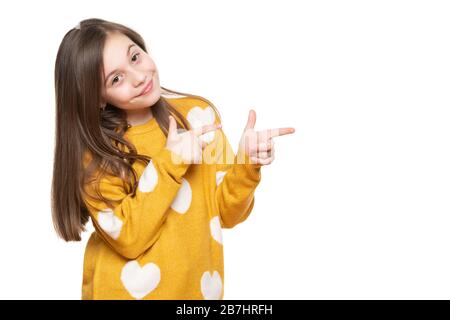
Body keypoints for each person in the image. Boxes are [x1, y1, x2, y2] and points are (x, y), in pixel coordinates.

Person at [51, 18, 295, 299]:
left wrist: (246, 165)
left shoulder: (199, 115)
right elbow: (129, 239)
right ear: (97, 98)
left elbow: (226, 214)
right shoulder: (96, 155)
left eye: (135, 57)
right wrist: (170, 163)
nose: (139, 76)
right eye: (115, 79)